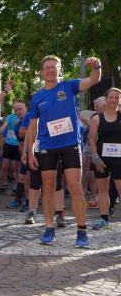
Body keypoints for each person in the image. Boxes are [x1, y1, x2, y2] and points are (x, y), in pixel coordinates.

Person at [27, 55, 101, 247]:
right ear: (42, 72)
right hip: (47, 146)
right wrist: (30, 152)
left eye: (54, 67)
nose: (50, 70)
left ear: (59, 69)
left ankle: (81, 231)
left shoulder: (69, 86)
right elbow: (32, 127)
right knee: (48, 187)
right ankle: (49, 227)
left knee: (75, 187)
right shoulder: (37, 97)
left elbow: (94, 79)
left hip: (70, 145)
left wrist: (96, 66)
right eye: (47, 67)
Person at [88, 87, 121, 230]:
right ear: (106, 100)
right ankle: (104, 219)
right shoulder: (97, 118)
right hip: (101, 160)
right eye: (111, 97)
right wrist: (95, 157)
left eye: (117, 97)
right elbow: (91, 139)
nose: (114, 100)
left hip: (119, 159)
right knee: (102, 189)